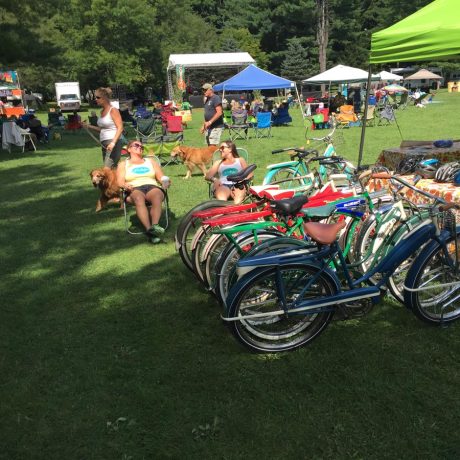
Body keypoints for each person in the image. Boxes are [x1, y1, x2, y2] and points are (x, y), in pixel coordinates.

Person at [117, 140, 171, 244]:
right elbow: (119, 181)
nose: (140, 147)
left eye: (142, 146)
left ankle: (154, 226)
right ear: (128, 149)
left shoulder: (151, 161)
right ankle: (149, 230)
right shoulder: (124, 164)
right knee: (138, 198)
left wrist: (165, 181)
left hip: (151, 186)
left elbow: (160, 176)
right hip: (133, 188)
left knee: (157, 195)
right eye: (136, 145)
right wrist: (125, 185)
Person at [82, 87, 123, 168]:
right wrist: (87, 126)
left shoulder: (113, 110)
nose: (96, 99)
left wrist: (113, 143)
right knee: (110, 169)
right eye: (95, 97)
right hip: (104, 144)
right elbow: (102, 130)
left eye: (98, 97)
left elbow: (120, 127)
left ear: (105, 98)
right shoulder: (102, 112)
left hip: (113, 143)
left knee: (107, 169)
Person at [205, 140, 249, 204]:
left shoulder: (240, 160)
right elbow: (207, 176)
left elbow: (250, 174)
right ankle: (225, 211)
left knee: (238, 199)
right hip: (223, 185)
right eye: (220, 148)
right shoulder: (218, 162)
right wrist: (214, 179)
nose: (220, 150)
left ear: (230, 149)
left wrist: (242, 180)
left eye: (222, 148)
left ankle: (236, 211)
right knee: (222, 197)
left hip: (238, 184)